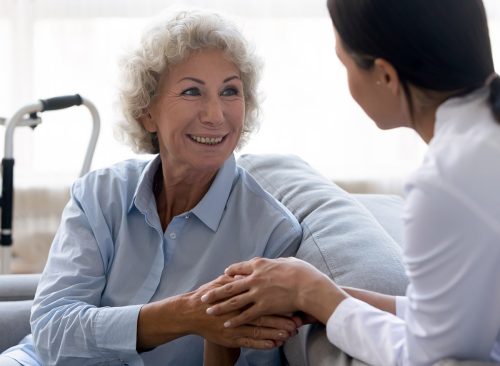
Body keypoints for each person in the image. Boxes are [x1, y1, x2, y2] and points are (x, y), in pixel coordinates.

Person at [201, 0, 500, 365]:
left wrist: (313, 293)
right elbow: (451, 322)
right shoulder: (479, 146)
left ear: (385, 76)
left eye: (344, 63)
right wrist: (325, 295)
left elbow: (427, 356)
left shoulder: (448, 181)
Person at [0, 9, 302, 366]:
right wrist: (185, 314)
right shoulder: (99, 194)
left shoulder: (271, 234)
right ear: (147, 111)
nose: (216, 115)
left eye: (230, 91)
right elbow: (51, 333)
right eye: (192, 91)